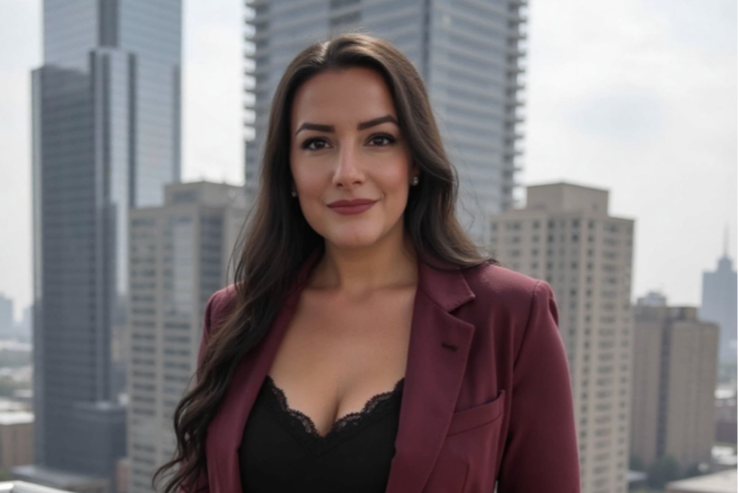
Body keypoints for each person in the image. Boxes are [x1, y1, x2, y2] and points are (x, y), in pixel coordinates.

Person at [154, 33, 580, 493]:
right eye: (317, 143)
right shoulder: (232, 314)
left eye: (379, 139)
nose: (347, 173)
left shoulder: (511, 313)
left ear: (414, 161)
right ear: (288, 171)